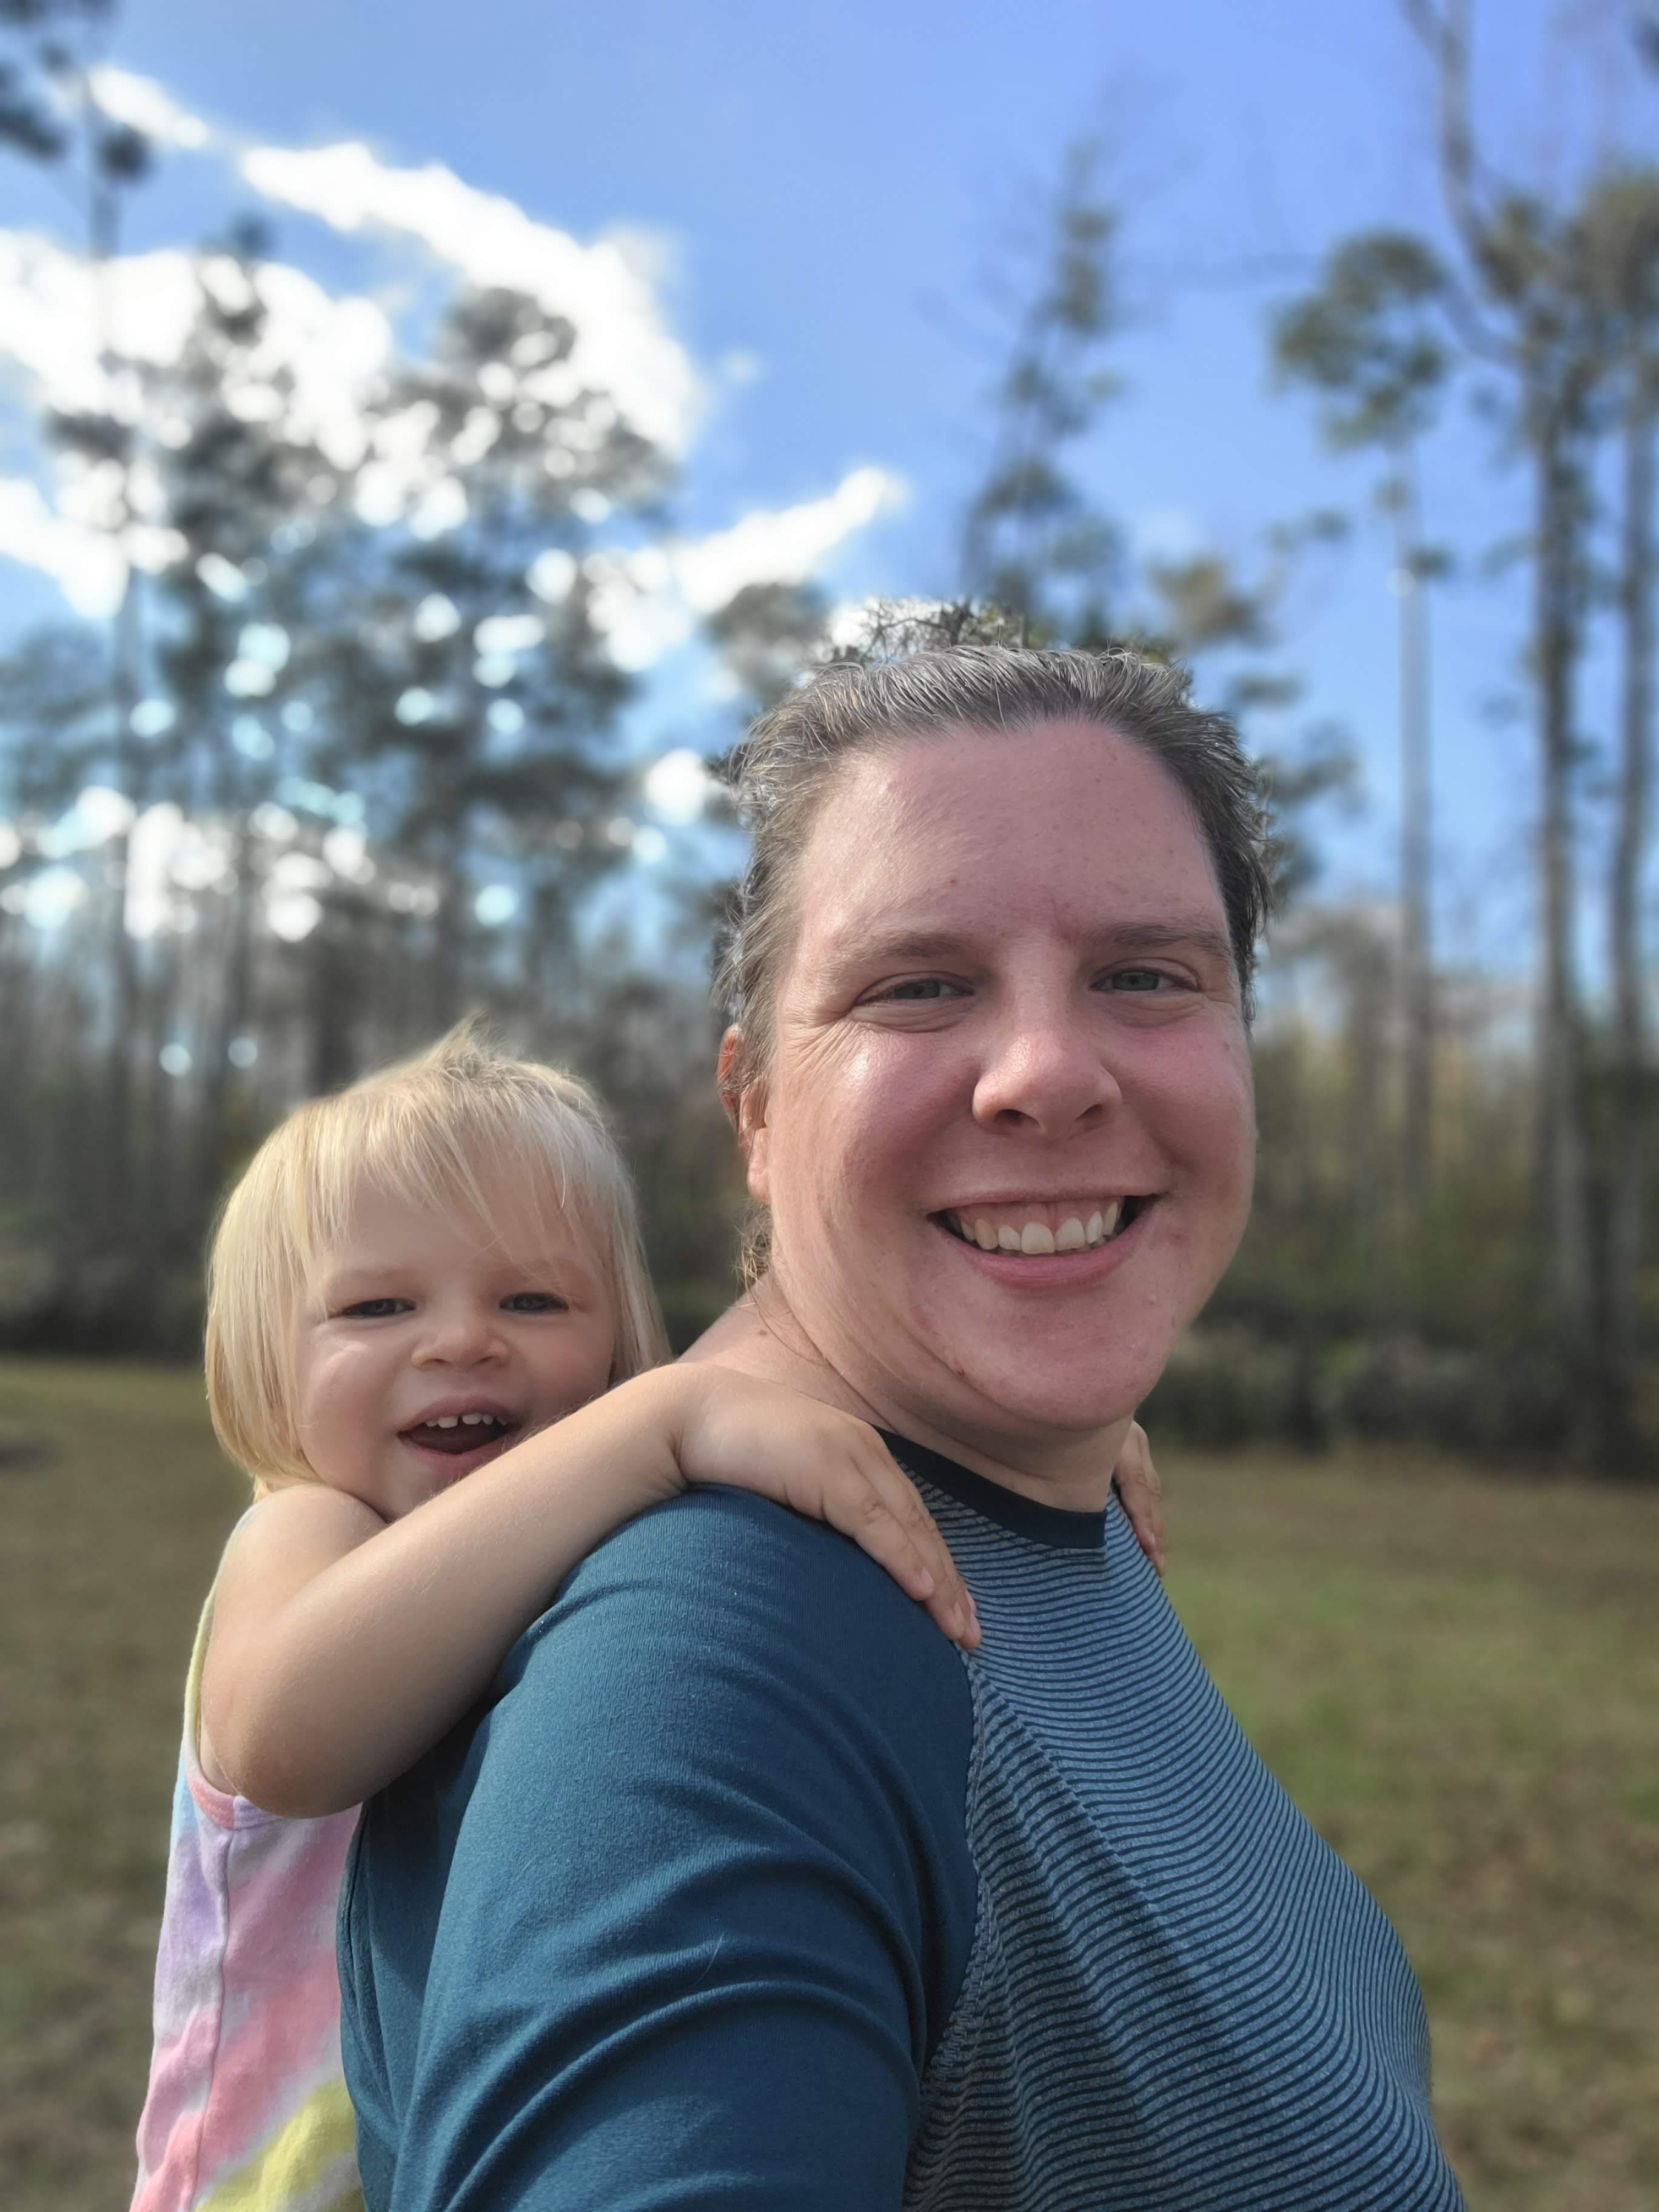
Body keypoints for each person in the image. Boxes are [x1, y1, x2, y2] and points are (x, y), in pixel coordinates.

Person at [339, 644, 1466, 2208]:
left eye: (1147, 975)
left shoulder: (1034, 1496)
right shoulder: (719, 1659)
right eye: (918, 984)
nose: (1049, 1073)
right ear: (753, 1108)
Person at [132, 1025, 1166, 2212]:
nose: (462, 1339)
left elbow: (805, 1441)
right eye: (376, 1307)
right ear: (267, 1358)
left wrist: (1010, 1441)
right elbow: (279, 1737)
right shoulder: (303, 1526)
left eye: (534, 1298)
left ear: (616, 1342)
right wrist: (659, 1425)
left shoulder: (576, 1527)